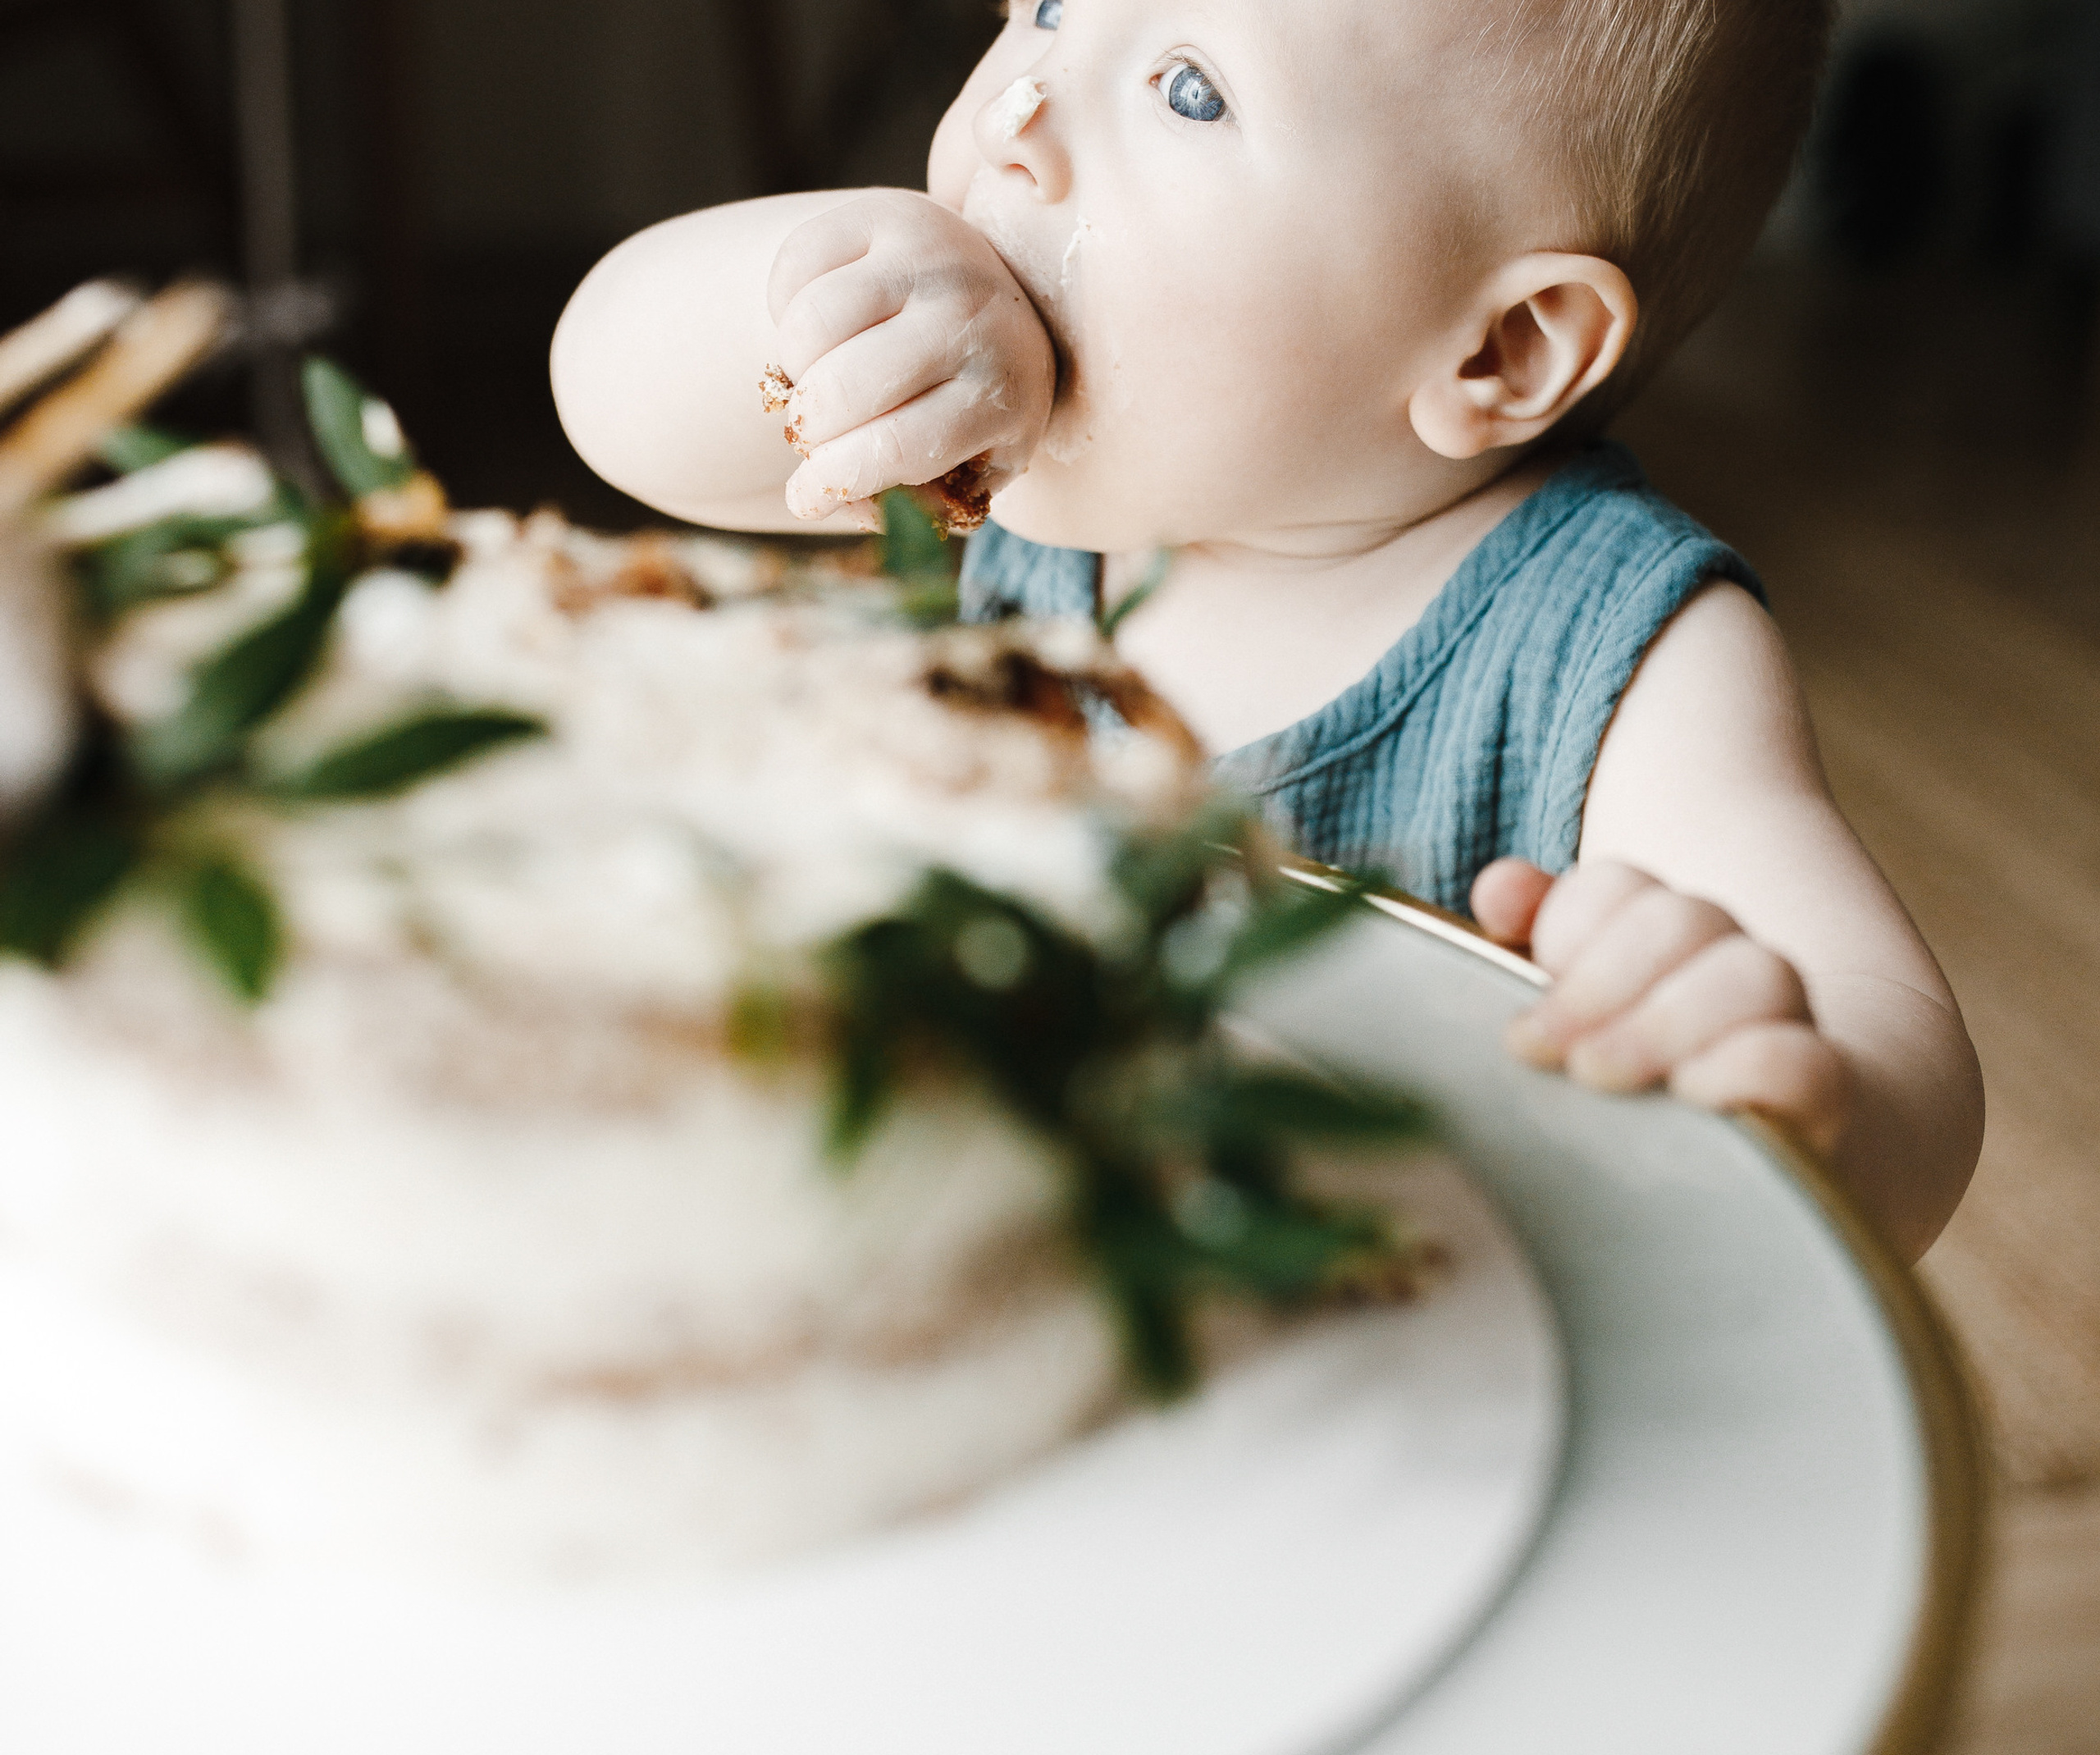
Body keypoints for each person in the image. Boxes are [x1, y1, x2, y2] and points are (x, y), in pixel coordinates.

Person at [550, 0, 1984, 1259]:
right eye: (1051, 3)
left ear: (1501, 350)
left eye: (1188, 88)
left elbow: (1900, 1042)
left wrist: (1806, 1097)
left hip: (1384, 1353)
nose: (1020, 118)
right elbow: (612, 398)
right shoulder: (1012, 485)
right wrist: (813, 302)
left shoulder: (1606, 645)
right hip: (974, 1243)